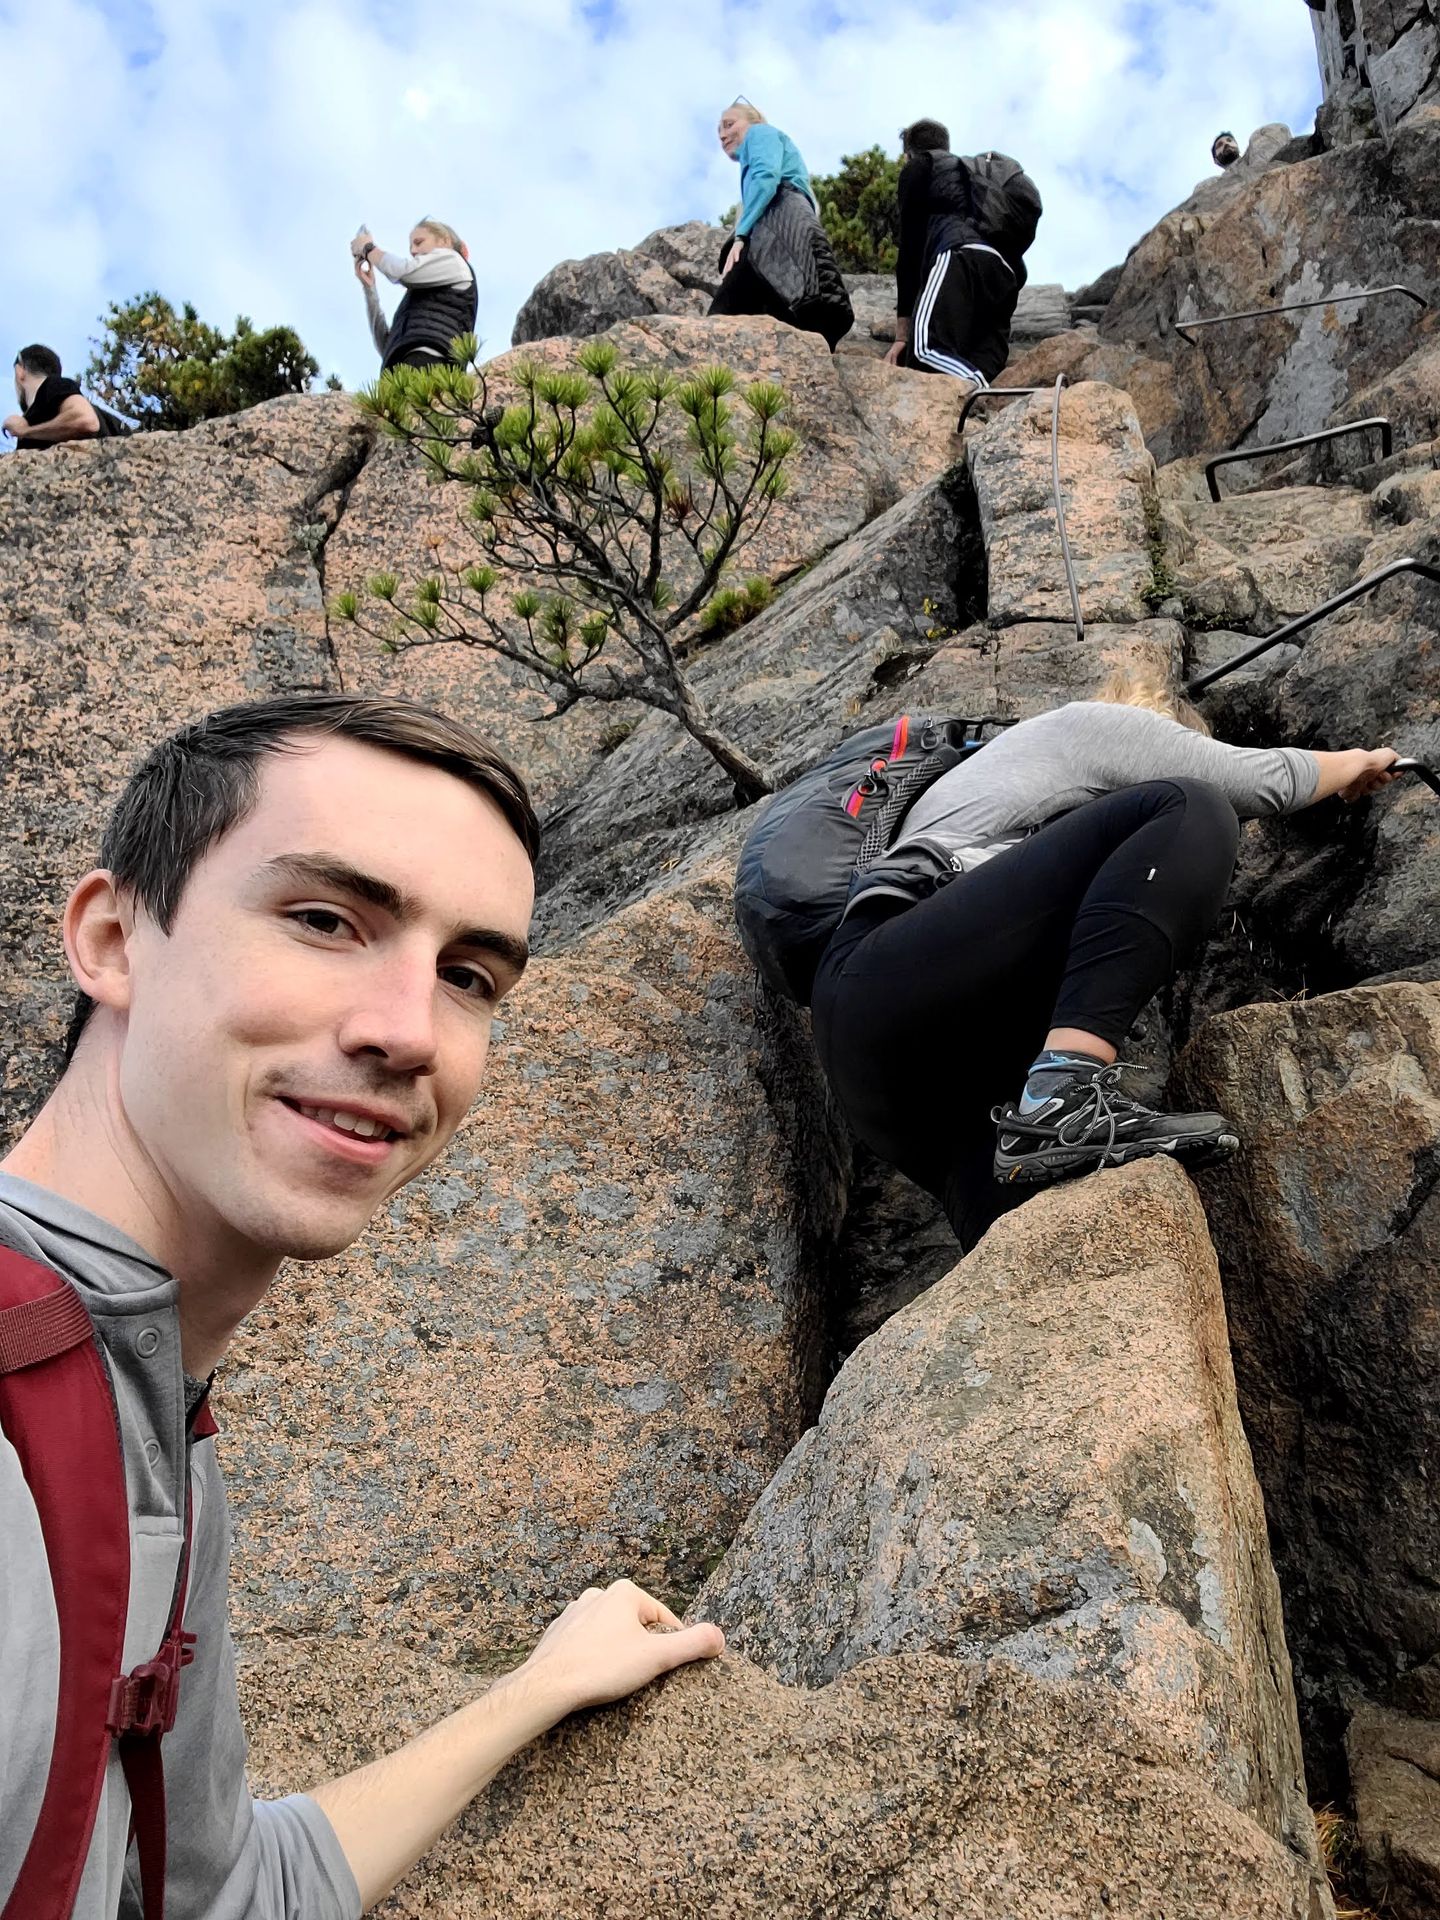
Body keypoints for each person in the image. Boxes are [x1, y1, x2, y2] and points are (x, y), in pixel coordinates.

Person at [0, 692, 723, 1919]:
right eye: (326, 921)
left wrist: (536, 1691)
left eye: (468, 976)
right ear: (114, 940)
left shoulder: (144, 1410)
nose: (409, 1032)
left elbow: (219, 1892)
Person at [808, 668, 1399, 1251]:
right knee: (1196, 807)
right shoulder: (1092, 725)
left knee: (1048, 1250)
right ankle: (1063, 1089)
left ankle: (1043, 1141)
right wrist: (1356, 762)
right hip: (888, 969)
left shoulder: (1004, 798)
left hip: (909, 1076)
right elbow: (1255, 781)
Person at [886, 119, 1026, 386]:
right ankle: (997, 401)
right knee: (984, 365)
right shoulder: (974, 177)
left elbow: (910, 249)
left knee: (924, 351)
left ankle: (980, 389)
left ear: (908, 154)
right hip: (1005, 275)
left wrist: (902, 335)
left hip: (960, 254)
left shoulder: (921, 165)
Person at [709, 101, 853, 351]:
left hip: (775, 222)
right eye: (719, 130)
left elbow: (767, 177)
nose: (722, 135)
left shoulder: (759, 132)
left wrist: (741, 236)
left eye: (729, 124)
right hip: (782, 227)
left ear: (753, 120)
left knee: (726, 311)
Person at [352, 219, 478, 371]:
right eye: (411, 247)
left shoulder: (455, 262)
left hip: (432, 362)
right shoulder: (419, 297)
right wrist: (369, 288)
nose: (412, 251)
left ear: (445, 241)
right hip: (400, 370)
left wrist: (368, 249)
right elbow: (387, 347)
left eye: (419, 242)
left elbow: (400, 271)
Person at [5, 343, 101, 450]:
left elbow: (86, 421)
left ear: (19, 371)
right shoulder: (32, 423)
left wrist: (25, 431)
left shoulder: (53, 385)